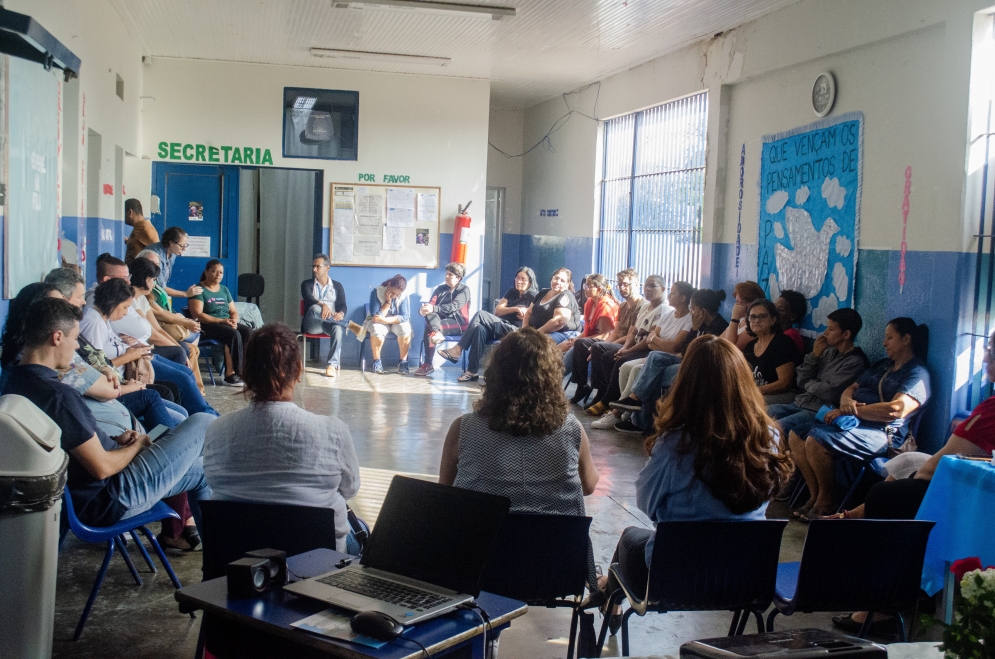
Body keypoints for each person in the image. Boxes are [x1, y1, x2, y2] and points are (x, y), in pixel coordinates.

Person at [597, 335, 788, 605]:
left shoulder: (676, 441)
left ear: (687, 383)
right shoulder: (769, 436)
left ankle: (609, 598)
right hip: (745, 573)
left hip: (677, 572)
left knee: (630, 538)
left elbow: (645, 501)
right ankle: (608, 591)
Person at [2, 297, 213, 530]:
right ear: (57, 337)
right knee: (204, 421)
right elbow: (101, 468)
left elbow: (76, 446)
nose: (76, 347)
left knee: (207, 471)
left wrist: (116, 442)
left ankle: (207, 549)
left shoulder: (15, 381)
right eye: (75, 339)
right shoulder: (59, 396)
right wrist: (137, 446)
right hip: (112, 496)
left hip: (96, 489)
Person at [439, 327, 600, 591]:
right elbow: (588, 486)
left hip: (480, 568)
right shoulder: (572, 429)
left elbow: (445, 493)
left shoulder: (464, 429)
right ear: (551, 378)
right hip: (555, 569)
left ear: (495, 375)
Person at [204, 323, 361, 553]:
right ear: (298, 370)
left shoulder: (216, 431)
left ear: (246, 371)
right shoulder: (333, 432)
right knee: (360, 531)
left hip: (239, 565)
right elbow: (351, 489)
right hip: (318, 565)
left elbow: (212, 483)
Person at [793, 318, 931, 520]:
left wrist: (852, 411)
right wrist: (846, 401)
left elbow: (895, 410)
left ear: (906, 339)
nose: (884, 343)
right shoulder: (883, 366)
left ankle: (826, 500)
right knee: (797, 434)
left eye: (889, 337)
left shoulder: (917, 374)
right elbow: (852, 387)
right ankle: (814, 495)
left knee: (816, 439)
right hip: (854, 424)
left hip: (883, 435)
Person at [767, 308, 869, 496]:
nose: (825, 333)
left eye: (831, 329)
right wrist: (814, 356)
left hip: (819, 410)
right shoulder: (827, 352)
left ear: (846, 334)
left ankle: (786, 478)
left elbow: (830, 393)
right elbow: (800, 378)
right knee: (760, 414)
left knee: (776, 428)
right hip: (801, 402)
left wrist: (809, 383)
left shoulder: (855, 362)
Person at [80, 278, 217, 416]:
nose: (126, 313)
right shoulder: (94, 324)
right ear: (113, 303)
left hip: (126, 375)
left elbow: (107, 352)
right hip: (119, 383)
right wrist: (130, 356)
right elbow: (96, 369)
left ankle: (205, 416)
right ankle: (204, 417)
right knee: (173, 395)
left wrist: (131, 345)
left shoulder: (105, 320)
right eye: (125, 307)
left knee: (181, 382)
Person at [611, 288, 729, 434]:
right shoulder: (699, 323)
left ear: (703, 311)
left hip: (699, 367)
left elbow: (699, 353)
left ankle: (641, 420)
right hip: (685, 359)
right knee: (655, 356)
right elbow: (684, 349)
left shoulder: (718, 326)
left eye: (693, 308)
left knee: (656, 375)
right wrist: (694, 329)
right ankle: (636, 403)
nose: (691, 312)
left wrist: (694, 329)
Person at [591, 281, 694, 430]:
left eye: (673, 293)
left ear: (683, 298)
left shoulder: (689, 319)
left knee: (635, 369)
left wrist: (656, 341)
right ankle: (628, 410)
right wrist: (659, 343)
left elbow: (673, 346)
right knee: (625, 367)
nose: (669, 296)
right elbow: (650, 342)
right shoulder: (667, 315)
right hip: (654, 355)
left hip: (666, 359)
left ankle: (619, 412)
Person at [584, 275, 669, 418]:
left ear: (663, 289)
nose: (647, 289)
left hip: (647, 349)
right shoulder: (645, 307)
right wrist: (624, 348)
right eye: (646, 285)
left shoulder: (664, 309)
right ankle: (604, 393)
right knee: (606, 355)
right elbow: (633, 332)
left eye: (652, 286)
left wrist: (627, 351)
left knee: (621, 360)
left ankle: (609, 402)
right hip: (632, 345)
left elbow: (648, 340)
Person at [437, 266, 539, 382]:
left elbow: (535, 317)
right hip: (502, 325)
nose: (519, 281)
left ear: (530, 282)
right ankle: (471, 371)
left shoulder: (534, 295)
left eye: (523, 279)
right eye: (517, 278)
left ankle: (458, 349)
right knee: (479, 329)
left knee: (480, 314)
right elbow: (498, 311)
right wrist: (516, 308)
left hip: (517, 330)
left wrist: (526, 314)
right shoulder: (511, 292)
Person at [569, 268, 644, 404]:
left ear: (637, 285)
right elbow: (615, 332)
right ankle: (582, 386)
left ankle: (601, 391)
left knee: (598, 348)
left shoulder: (641, 306)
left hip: (629, 344)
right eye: (619, 284)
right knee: (580, 343)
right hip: (618, 340)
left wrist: (601, 345)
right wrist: (601, 344)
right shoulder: (623, 306)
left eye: (625, 284)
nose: (622, 288)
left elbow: (630, 336)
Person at [189, 259, 251, 386]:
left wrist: (234, 320)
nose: (218, 275)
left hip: (225, 323)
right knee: (233, 334)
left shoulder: (224, 290)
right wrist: (222, 321)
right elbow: (198, 315)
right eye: (214, 271)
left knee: (248, 332)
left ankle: (248, 370)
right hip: (206, 325)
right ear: (206, 272)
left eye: (221, 272)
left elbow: (233, 311)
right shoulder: (198, 290)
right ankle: (232, 375)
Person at [413, 262, 472, 377]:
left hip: (458, 323)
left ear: (458, 278)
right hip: (440, 323)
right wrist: (422, 310)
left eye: (450, 275)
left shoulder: (464, 290)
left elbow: (454, 306)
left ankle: (428, 364)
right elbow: (431, 304)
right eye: (446, 274)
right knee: (429, 316)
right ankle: (437, 333)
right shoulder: (440, 289)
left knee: (430, 329)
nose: (446, 276)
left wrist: (433, 308)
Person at [349, 274, 412, 375]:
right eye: (393, 292)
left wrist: (385, 320)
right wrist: (388, 302)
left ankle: (403, 363)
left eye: (397, 295)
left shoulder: (404, 295)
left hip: (393, 321)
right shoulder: (376, 292)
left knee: (405, 328)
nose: (394, 296)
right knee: (376, 328)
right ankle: (377, 362)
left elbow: (405, 316)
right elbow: (375, 316)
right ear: (389, 284)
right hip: (379, 322)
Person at [742, 298, 800, 404]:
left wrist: (753, 392)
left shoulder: (782, 342)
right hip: (758, 393)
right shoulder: (749, 347)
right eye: (753, 316)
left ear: (773, 320)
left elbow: (784, 383)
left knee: (747, 405)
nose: (756, 320)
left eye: (762, 316)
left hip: (785, 395)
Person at [300, 254, 348, 378]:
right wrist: (323, 305)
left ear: (327, 268)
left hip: (329, 324)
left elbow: (342, 305)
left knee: (337, 329)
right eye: (313, 266)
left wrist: (341, 314)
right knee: (315, 308)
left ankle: (332, 365)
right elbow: (309, 300)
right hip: (312, 324)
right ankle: (346, 325)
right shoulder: (306, 284)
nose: (314, 269)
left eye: (318, 266)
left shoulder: (337, 286)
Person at [521, 268, 582, 343]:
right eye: (556, 278)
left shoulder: (565, 296)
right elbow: (528, 313)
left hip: (562, 334)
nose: (558, 282)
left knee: (534, 344)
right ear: (552, 278)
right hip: (536, 332)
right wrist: (524, 331)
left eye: (562, 281)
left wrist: (536, 334)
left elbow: (558, 322)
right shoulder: (543, 292)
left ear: (567, 284)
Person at [145, 227, 204, 300]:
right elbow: (160, 286)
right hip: (147, 293)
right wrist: (185, 294)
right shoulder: (155, 255)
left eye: (185, 245)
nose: (184, 249)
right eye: (182, 246)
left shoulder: (173, 253)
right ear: (171, 242)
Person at [720, 280, 767, 351]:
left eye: (744, 302)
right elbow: (718, 343)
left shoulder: (755, 324)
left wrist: (734, 318)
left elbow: (729, 348)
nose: (739, 306)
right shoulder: (740, 320)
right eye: (737, 302)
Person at [123, 198, 159, 262]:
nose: (123, 218)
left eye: (123, 214)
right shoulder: (138, 227)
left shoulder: (146, 229)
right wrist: (128, 241)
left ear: (130, 212)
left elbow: (157, 254)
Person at [776, 290, 808, 356]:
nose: (774, 312)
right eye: (774, 308)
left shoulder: (791, 335)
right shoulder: (778, 332)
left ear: (792, 316)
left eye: (780, 310)